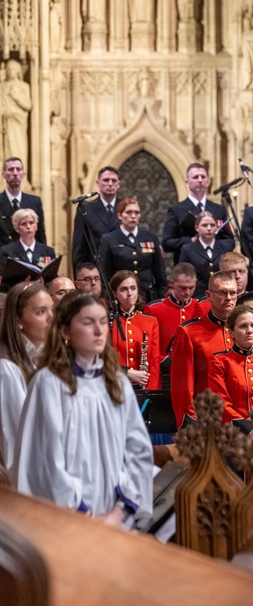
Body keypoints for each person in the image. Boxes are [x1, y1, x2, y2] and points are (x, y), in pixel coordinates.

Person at [14, 290, 153, 525]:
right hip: (67, 519)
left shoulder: (116, 382)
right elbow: (46, 459)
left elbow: (138, 449)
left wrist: (117, 513)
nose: (99, 331)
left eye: (103, 322)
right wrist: (82, 513)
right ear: (65, 331)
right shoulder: (49, 383)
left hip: (116, 518)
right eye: (88, 323)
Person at [170, 271, 237, 427]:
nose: (228, 298)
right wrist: (189, 425)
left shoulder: (247, 330)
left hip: (242, 422)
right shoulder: (189, 332)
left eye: (233, 293)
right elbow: (182, 388)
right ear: (208, 295)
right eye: (222, 292)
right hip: (208, 421)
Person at [0, 282, 52, 470]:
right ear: (18, 321)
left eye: (52, 309)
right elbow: (17, 440)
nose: (51, 318)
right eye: (41, 312)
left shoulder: (42, 359)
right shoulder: (8, 369)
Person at [97, 198, 167, 301]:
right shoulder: (109, 239)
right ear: (120, 215)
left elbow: (160, 273)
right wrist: (109, 299)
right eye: (128, 212)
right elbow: (104, 274)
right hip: (121, 296)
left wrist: (160, 298)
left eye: (137, 212)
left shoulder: (150, 237)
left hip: (147, 295)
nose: (133, 216)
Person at [162, 163, 232, 264]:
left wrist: (213, 243)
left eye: (203, 177)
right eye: (195, 177)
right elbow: (167, 242)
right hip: (188, 264)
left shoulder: (218, 209)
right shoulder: (177, 210)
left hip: (215, 263)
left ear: (208, 182)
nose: (200, 180)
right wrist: (192, 241)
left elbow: (229, 240)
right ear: (187, 182)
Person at [107, 271, 161, 390]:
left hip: (142, 388)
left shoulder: (150, 322)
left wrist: (150, 393)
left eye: (133, 288)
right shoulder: (106, 322)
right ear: (115, 294)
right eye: (124, 289)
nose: (130, 293)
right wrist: (126, 373)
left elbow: (154, 363)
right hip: (114, 387)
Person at [143, 262, 203, 358]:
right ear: (172, 283)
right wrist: (162, 360)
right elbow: (147, 346)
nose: (187, 292)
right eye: (183, 288)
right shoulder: (154, 309)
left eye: (191, 287)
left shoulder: (201, 308)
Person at [72, 166, 120, 268]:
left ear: (118, 184)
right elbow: (79, 246)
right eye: (106, 180)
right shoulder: (86, 209)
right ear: (98, 183)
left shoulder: (125, 208)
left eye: (114, 181)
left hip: (120, 268)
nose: (110, 184)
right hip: (96, 269)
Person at [179, 211, 235, 298]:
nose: (209, 228)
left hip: (222, 295)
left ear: (216, 227)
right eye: (204, 225)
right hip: (198, 296)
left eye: (212, 225)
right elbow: (185, 275)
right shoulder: (188, 249)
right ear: (196, 228)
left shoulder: (225, 247)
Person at [0, 209, 57, 284]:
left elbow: (52, 278)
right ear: (16, 228)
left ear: (36, 226)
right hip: (17, 290)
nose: (28, 226)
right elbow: (4, 281)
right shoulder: (6, 252)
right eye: (24, 224)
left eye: (31, 223)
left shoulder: (48, 251)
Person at [0, 157, 46, 246]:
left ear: (23, 174)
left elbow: (40, 236)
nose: (15, 173)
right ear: (3, 174)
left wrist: (43, 255)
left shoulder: (35, 202)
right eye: (11, 169)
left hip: (27, 253)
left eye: (18, 169)